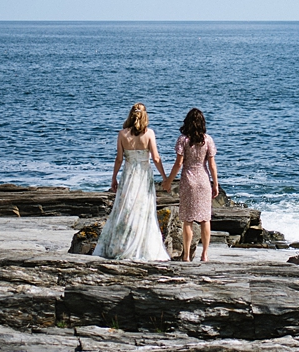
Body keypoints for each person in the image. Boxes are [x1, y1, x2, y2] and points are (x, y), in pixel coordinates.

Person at [92, 103, 170, 261]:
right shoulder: (149, 134)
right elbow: (155, 158)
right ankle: (141, 246)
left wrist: (114, 178)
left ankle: (122, 243)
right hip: (143, 175)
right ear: (145, 116)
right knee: (143, 209)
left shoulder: (122, 134)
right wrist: (164, 177)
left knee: (125, 209)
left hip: (128, 175)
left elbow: (119, 159)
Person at [162, 107, 218, 262]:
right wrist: (216, 184)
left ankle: (186, 255)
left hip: (188, 179)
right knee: (205, 219)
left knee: (188, 219)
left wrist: (168, 181)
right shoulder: (208, 140)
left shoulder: (183, 140)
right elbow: (212, 165)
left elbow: (178, 163)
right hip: (204, 179)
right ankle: (205, 254)